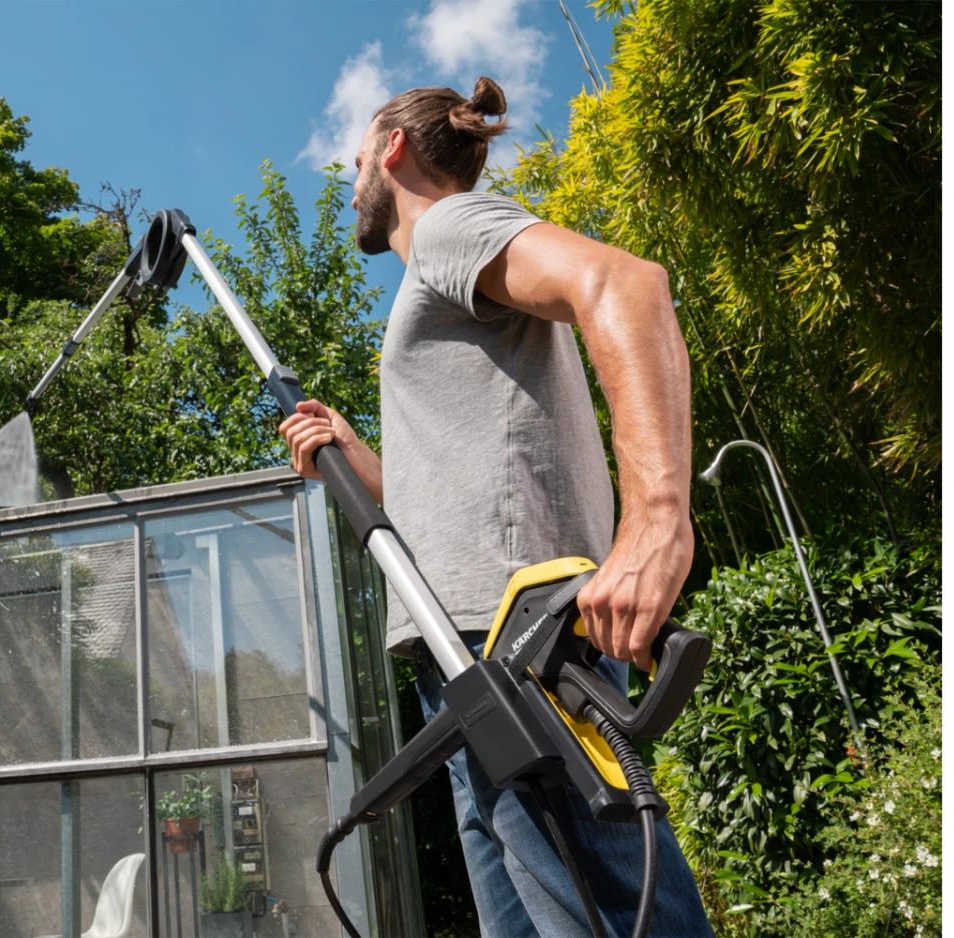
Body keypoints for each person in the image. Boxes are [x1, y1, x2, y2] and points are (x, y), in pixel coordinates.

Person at [278, 77, 714, 938]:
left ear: (393, 150)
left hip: (517, 641)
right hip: (466, 655)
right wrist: (355, 456)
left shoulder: (448, 226)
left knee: (606, 914)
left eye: (359, 157)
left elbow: (625, 285)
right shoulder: (444, 285)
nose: (354, 177)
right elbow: (447, 490)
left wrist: (659, 515)